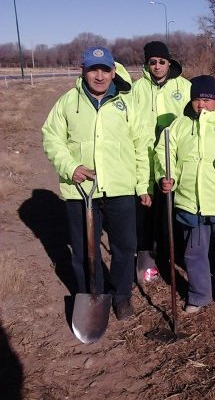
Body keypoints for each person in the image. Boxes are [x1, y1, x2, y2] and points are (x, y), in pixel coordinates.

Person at [42, 46, 153, 320]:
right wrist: (71, 167)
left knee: (124, 247)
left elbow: (142, 145)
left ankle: (122, 296)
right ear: (84, 71)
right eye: (94, 70)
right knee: (83, 250)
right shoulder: (68, 102)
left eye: (105, 70)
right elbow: (51, 138)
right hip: (80, 191)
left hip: (120, 188)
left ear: (114, 72)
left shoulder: (127, 104)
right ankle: (91, 294)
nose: (100, 76)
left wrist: (142, 185)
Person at [154, 75, 215, 313]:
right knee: (194, 252)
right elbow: (164, 153)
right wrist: (166, 175)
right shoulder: (179, 125)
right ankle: (199, 294)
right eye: (197, 99)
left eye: (207, 99)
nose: (201, 104)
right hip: (190, 201)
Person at [132, 41, 191, 267]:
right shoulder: (137, 89)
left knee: (173, 207)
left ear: (169, 63)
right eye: (152, 62)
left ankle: (174, 252)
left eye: (162, 62)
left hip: (173, 155)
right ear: (147, 65)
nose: (157, 66)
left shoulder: (183, 87)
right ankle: (148, 254)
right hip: (145, 153)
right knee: (147, 206)